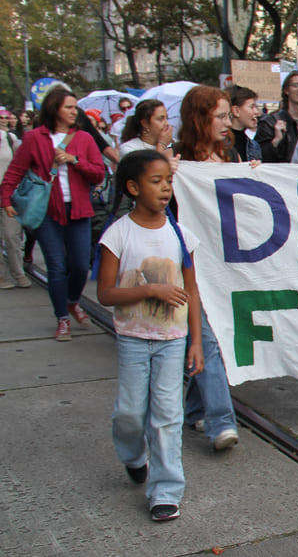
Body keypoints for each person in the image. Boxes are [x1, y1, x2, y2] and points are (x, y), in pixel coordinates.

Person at [96, 149, 204, 523]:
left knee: (167, 416)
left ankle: (165, 491)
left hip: (172, 340)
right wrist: (150, 291)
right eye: (155, 181)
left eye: (168, 181)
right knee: (129, 412)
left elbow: (192, 292)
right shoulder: (118, 234)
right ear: (132, 187)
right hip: (132, 339)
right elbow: (105, 293)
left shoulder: (180, 234)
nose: (165, 188)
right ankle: (133, 456)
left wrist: (195, 342)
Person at [1, 88, 105, 340]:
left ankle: (72, 301)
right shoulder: (35, 138)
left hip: (79, 211)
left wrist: (74, 160)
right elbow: (15, 170)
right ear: (54, 109)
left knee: (80, 266)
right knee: (56, 267)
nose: (74, 111)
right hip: (48, 213)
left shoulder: (84, 138)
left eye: (74, 107)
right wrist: (5, 199)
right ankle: (62, 318)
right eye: (68, 107)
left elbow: (99, 173)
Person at [172, 86, 241, 451]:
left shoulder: (232, 158)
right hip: (191, 270)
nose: (227, 124)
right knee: (209, 345)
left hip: (225, 269)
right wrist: (167, 177)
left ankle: (191, 410)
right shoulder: (175, 162)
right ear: (200, 118)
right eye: (220, 116)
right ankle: (220, 424)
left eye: (228, 116)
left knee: (221, 343)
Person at [254, 70, 298, 163]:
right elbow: (257, 156)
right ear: (286, 90)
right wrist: (276, 141)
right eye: (296, 85)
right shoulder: (270, 123)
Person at [0, 118, 30, 289]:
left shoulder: (9, 139)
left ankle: (18, 272)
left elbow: (21, 164)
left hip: (9, 193)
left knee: (12, 235)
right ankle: (1, 275)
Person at [227, 86, 262, 162]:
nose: (256, 112)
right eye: (252, 107)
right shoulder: (219, 144)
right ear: (236, 111)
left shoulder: (253, 146)